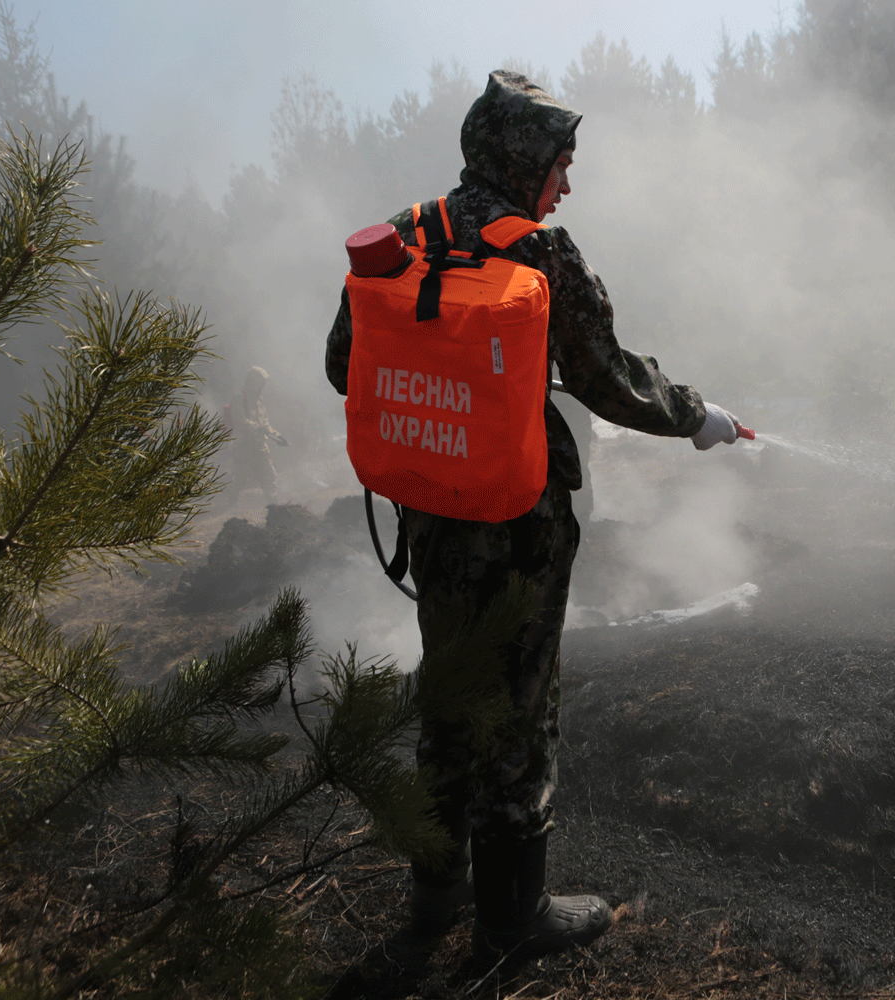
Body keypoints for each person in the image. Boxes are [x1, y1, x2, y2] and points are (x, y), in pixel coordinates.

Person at [324, 70, 744, 962]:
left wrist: (447, 382)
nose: (566, 184)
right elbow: (606, 377)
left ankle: (434, 898)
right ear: (524, 160)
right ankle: (514, 919)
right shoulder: (541, 252)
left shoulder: (405, 234)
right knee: (518, 707)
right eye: (562, 164)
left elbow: (341, 363)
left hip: (432, 511)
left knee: (447, 692)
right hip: (520, 527)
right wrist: (695, 416)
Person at [226, 366, 286, 505]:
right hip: (243, 446)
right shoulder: (239, 397)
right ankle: (231, 498)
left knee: (269, 475)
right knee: (241, 479)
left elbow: (265, 423)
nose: (263, 385)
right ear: (253, 381)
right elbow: (240, 420)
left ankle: (273, 503)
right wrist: (257, 428)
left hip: (259, 445)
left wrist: (278, 436)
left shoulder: (259, 399)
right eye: (261, 382)